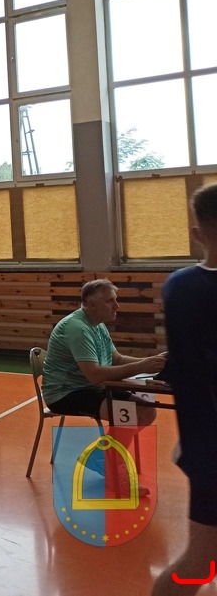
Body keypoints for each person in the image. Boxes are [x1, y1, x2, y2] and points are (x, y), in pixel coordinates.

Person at [151, 185, 217, 596]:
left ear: (196, 233)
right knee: (199, 563)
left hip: (201, 444)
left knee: (199, 562)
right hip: (211, 451)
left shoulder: (178, 286)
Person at [42, 278, 166, 425]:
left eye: (115, 300)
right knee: (137, 414)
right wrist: (141, 367)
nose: (116, 306)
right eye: (109, 301)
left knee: (147, 410)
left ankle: (113, 441)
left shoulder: (98, 325)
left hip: (90, 387)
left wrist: (152, 362)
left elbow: (117, 359)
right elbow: (95, 375)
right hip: (65, 394)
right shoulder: (77, 328)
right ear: (91, 304)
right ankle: (111, 442)